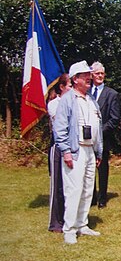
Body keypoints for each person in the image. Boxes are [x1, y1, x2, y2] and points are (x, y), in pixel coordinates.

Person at [53, 60, 103, 244]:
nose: (89, 79)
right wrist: (66, 151)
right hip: (76, 150)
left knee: (88, 188)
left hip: (90, 150)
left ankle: (82, 224)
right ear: (75, 79)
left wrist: (98, 152)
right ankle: (69, 228)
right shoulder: (68, 100)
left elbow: (98, 126)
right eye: (85, 76)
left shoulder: (91, 100)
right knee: (73, 189)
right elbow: (60, 129)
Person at [90, 61, 121, 209]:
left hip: (103, 138)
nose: (100, 76)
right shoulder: (86, 93)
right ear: (91, 75)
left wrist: (99, 131)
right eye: (97, 73)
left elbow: (115, 118)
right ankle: (91, 197)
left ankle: (102, 197)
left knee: (102, 169)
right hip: (87, 138)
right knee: (88, 168)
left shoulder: (112, 94)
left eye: (102, 73)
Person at [47, 73, 72, 232]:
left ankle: (70, 218)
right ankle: (55, 222)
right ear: (62, 87)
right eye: (69, 85)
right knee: (58, 185)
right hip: (58, 147)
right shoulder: (54, 104)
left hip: (73, 147)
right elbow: (61, 126)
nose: (71, 88)